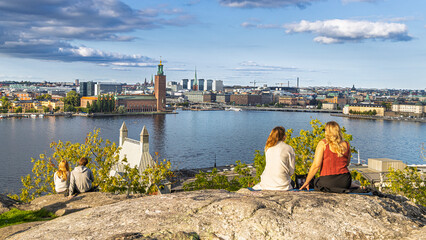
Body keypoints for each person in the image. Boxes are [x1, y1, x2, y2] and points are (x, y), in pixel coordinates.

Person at [300, 121, 358, 193]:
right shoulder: (346, 144)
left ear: (327, 132)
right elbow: (347, 163)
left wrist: (307, 182)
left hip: (328, 181)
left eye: (324, 130)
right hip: (345, 181)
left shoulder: (323, 144)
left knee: (316, 182)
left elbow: (316, 166)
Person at [252, 126, 295, 190]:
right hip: (282, 185)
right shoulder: (289, 148)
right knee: (293, 183)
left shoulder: (268, 147)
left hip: (266, 182)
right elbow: (291, 172)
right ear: (284, 136)